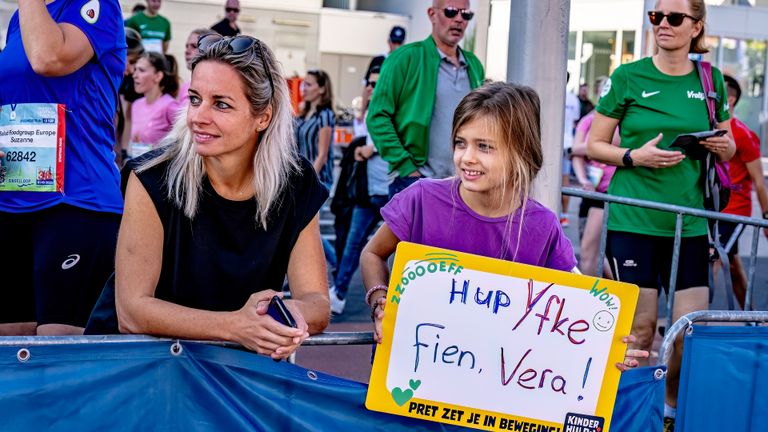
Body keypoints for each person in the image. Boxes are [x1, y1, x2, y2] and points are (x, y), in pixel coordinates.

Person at [361, 82, 648, 372]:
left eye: (484, 146)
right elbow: (372, 253)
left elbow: (570, 309)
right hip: (412, 377)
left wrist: (602, 346)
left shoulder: (542, 226)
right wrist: (379, 300)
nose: (467, 157)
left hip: (496, 390)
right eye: (461, 143)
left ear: (520, 152)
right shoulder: (421, 198)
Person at [114, 34, 330, 359]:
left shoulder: (296, 181)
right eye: (195, 99)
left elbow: (316, 302)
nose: (199, 116)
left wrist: (287, 313)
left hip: (240, 372)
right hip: (155, 369)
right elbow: (131, 312)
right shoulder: (151, 177)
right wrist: (235, 326)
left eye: (221, 104)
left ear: (263, 117)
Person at [586, 1, 735, 429]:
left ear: (696, 27)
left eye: (674, 18)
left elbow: (729, 142)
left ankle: (668, 414)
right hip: (634, 220)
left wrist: (725, 147)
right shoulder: (627, 76)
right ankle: (630, 416)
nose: (662, 25)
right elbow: (596, 144)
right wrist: (635, 156)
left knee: (689, 333)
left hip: (688, 223)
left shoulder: (709, 80)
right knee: (642, 331)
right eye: (656, 17)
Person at [0, 0, 126, 335]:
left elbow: (48, 58)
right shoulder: (21, 18)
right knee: (9, 351)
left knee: (57, 353)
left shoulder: (97, 6)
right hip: (16, 196)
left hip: (76, 201)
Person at [367, 0, 484, 199]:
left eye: (465, 14)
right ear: (432, 14)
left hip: (463, 185)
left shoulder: (474, 65)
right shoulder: (404, 58)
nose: (458, 19)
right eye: (450, 12)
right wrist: (407, 168)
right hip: (415, 181)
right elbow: (377, 116)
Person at [330, 68, 391, 315]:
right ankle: (340, 294)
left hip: (390, 191)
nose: (372, 88)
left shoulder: (392, 107)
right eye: (370, 84)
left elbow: (393, 136)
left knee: (396, 251)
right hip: (368, 192)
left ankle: (395, 300)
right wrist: (365, 102)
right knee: (353, 245)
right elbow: (359, 132)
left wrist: (371, 149)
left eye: (377, 84)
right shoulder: (369, 112)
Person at [716, 75, 768, 309]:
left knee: (712, 260)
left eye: (720, 93)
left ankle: (686, 321)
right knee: (734, 269)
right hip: (712, 210)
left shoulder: (744, 134)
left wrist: (766, 217)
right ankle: (756, 319)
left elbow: (759, 181)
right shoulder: (710, 128)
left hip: (733, 213)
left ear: (732, 99)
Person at [570, 77, 617, 277]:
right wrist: (583, 180)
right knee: (590, 251)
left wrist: (595, 148)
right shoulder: (589, 119)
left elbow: (622, 148)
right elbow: (575, 151)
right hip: (592, 192)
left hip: (612, 193)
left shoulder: (621, 120)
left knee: (599, 252)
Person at [129, 51, 181, 158]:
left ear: (158, 76)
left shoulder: (170, 106)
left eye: (141, 70)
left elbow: (183, 142)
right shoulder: (136, 105)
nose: (134, 75)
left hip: (159, 171)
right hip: (137, 168)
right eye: (135, 69)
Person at [297, 69, 335, 191]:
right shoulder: (302, 116)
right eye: (304, 84)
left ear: (322, 89)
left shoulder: (325, 115)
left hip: (317, 181)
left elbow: (322, 155)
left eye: (309, 85)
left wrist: (307, 181)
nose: (304, 88)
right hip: (299, 179)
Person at [116, 27, 146, 165]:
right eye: (132, 62)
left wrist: (123, 151)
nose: (133, 71)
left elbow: (127, 119)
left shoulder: (127, 82)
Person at [561, 72, 581, 227]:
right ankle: (564, 215)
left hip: (558, 143)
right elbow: (574, 122)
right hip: (567, 143)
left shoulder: (553, 95)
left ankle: (562, 214)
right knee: (565, 180)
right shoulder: (573, 99)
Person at [179, 28, 217, 103]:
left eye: (194, 46)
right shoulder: (184, 86)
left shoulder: (218, 87)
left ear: (210, 50)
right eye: (187, 46)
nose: (187, 51)